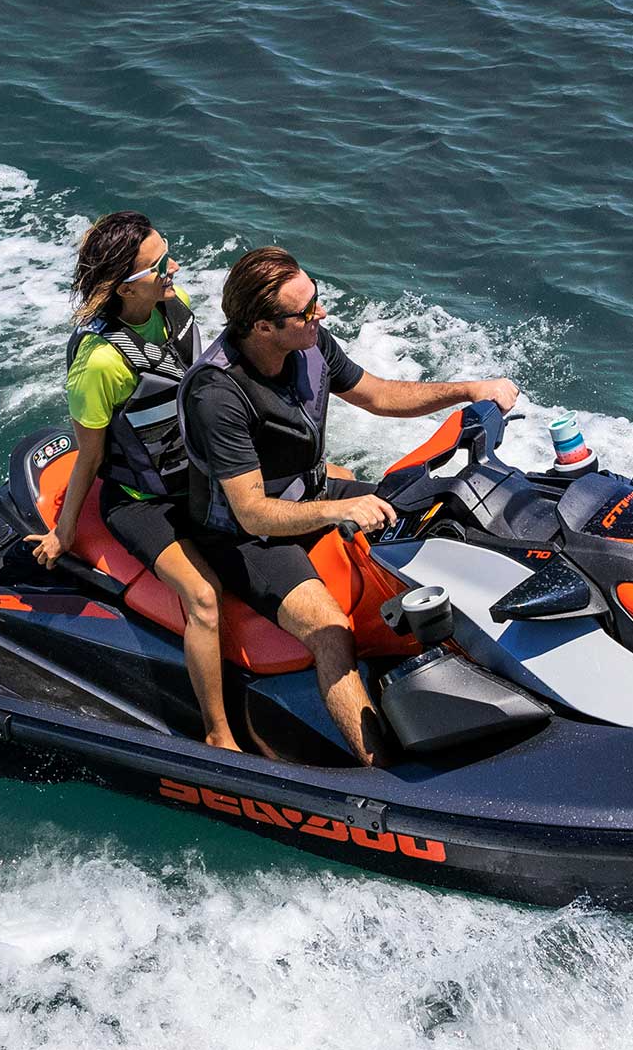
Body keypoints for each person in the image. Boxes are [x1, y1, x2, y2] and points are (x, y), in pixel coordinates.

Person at [178, 247, 518, 765]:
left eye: (316, 300)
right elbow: (250, 512)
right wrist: (339, 510)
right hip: (245, 538)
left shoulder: (309, 345)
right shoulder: (218, 394)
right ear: (262, 327)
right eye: (306, 311)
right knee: (331, 633)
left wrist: (467, 389)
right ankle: (378, 770)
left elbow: (379, 395)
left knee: (437, 518)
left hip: (311, 496)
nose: (321, 315)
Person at [27, 212, 241, 752]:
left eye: (169, 255)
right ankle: (218, 734)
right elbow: (90, 455)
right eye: (160, 265)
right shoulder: (99, 364)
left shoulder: (177, 305)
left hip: (197, 474)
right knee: (204, 597)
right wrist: (64, 531)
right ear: (125, 287)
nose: (175, 269)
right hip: (141, 500)